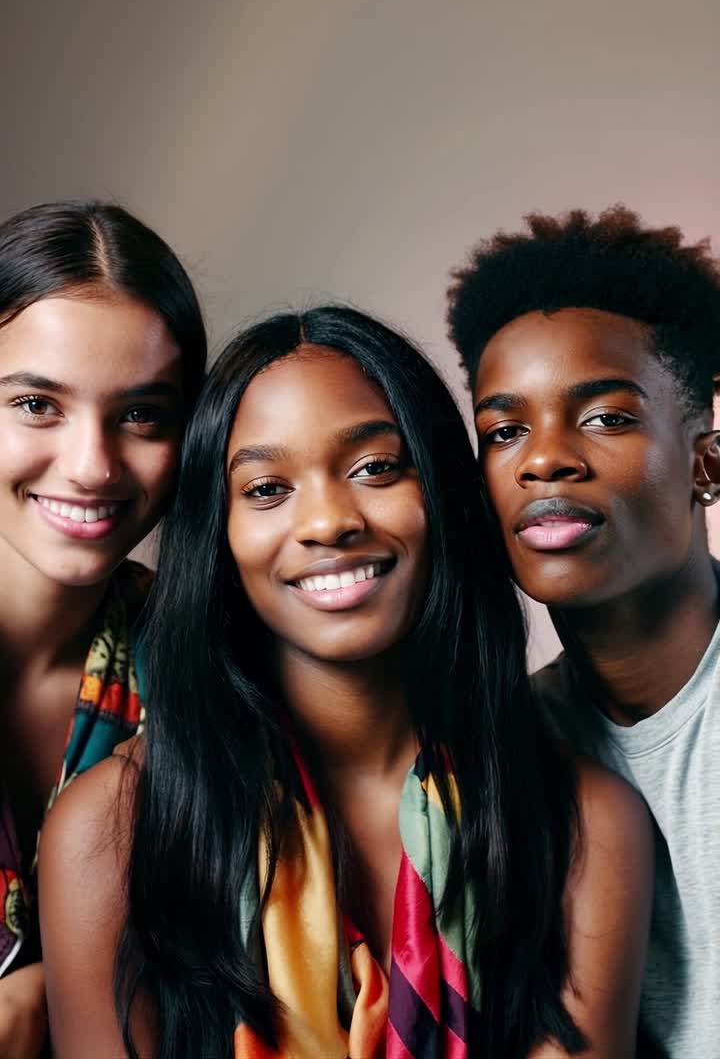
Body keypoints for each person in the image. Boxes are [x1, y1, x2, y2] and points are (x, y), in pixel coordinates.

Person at [40, 305, 650, 1059]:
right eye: (266, 489)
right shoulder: (110, 830)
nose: (328, 522)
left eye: (374, 468)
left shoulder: (586, 821)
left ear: (442, 493)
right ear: (218, 535)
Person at [447, 205, 720, 1059]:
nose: (544, 460)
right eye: (504, 431)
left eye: (605, 417)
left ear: (708, 465)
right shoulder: (502, 750)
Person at [0, 200, 206, 1059]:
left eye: (142, 415)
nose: (92, 466)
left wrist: (57, 983)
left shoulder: (207, 670)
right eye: (37, 404)